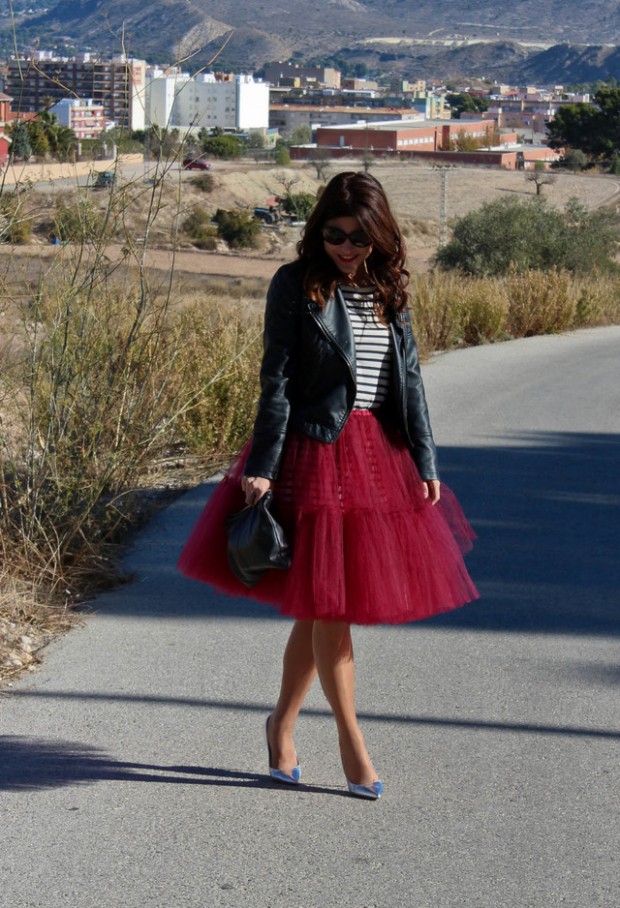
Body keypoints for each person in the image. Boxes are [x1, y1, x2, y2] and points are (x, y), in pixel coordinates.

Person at [178, 171, 479, 800]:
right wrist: (262, 461)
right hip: (312, 450)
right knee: (331, 607)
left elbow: (411, 381)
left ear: (380, 237)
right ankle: (351, 741)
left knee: (322, 603)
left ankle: (280, 723)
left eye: (359, 238)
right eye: (334, 235)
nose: (346, 247)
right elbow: (278, 381)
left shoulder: (390, 289)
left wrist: (425, 460)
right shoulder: (297, 285)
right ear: (318, 232)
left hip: (377, 456)